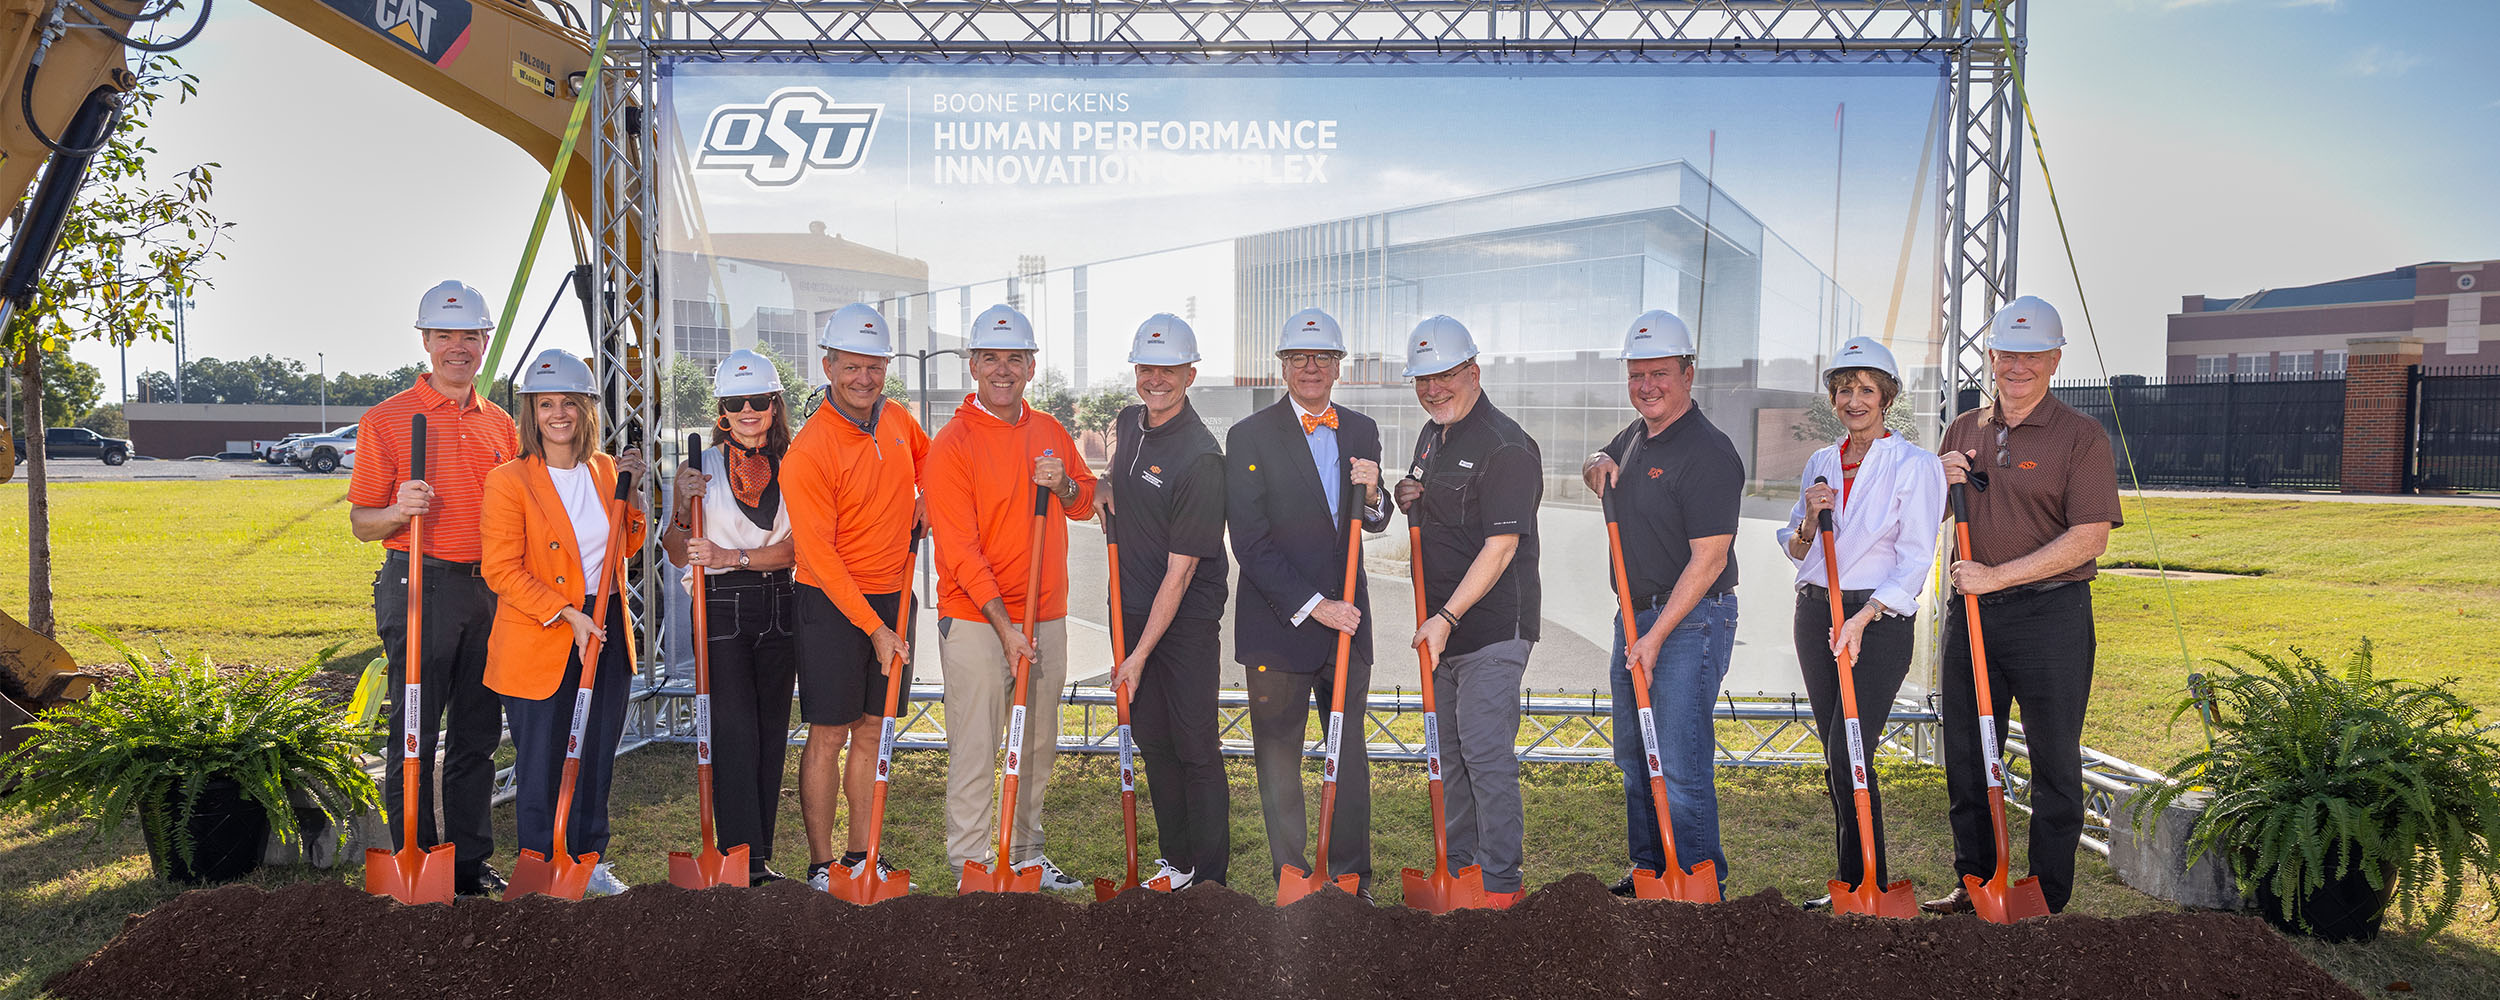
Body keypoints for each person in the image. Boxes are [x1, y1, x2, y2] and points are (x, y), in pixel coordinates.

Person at [1926, 296, 2120, 916]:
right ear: (1990, 356)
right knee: (1967, 750)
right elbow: (1930, 515)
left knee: (2053, 758)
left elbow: (2089, 538)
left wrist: (1996, 576)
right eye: (2007, 354)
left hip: (2049, 616)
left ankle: (2045, 896)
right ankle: (1976, 882)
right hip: (1972, 618)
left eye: (2032, 355)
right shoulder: (1964, 428)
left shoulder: (2081, 437)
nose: (2018, 367)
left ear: (2055, 360)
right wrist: (1938, 480)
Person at [345, 280, 521, 897]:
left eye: (469, 336)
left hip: (488, 589)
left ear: (484, 342)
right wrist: (399, 510)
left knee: (478, 733)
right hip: (421, 583)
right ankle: (415, 857)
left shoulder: (502, 425)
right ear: (425, 341)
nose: (457, 347)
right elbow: (361, 522)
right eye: (445, 335)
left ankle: (469, 864)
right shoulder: (387, 419)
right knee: (415, 728)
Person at [925, 303, 1097, 891]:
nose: (1004, 370)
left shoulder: (1050, 432)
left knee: (1038, 744)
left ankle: (1025, 855)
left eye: (1015, 359)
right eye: (991, 358)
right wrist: (1003, 627)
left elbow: (1084, 502)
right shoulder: (952, 444)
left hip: (1044, 614)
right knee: (976, 746)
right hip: (977, 618)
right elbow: (960, 550)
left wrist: (1064, 483)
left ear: (1031, 367)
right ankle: (970, 865)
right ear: (973, 365)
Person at [1774, 336, 1944, 908]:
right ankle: (1852, 882)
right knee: (1835, 752)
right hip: (1818, 611)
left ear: (1886, 397)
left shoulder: (1915, 465)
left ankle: (1871, 882)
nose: (1853, 400)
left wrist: (1865, 616)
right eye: (1844, 389)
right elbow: (1799, 546)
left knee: (1852, 747)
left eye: (1866, 390)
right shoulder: (1821, 462)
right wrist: (1808, 520)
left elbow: (1916, 557)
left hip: (1878, 617)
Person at [1226, 307, 1390, 900]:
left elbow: (1374, 519)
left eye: (1323, 357)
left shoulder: (1362, 429)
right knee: (1279, 761)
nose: (1311, 367)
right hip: (1281, 626)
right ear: (1283, 366)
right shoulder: (1249, 436)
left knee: (1349, 756)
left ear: (1339, 366)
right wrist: (1317, 605)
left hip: (1348, 625)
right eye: (1299, 357)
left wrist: (1375, 493)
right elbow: (1250, 541)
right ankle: (1292, 878)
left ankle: (1351, 879)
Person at [1580, 310, 1742, 899]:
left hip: (1690, 620)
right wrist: (1595, 463)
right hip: (1635, 614)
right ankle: (1651, 870)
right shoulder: (1635, 436)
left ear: (1688, 374)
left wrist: (1654, 636)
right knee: (1634, 753)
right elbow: (1599, 461)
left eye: (1660, 373)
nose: (1647, 385)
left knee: (1676, 757)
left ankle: (1696, 883)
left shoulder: (1708, 451)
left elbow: (1710, 559)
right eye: (1636, 374)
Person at [479, 349, 649, 897]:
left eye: (569, 403)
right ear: (531, 412)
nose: (558, 414)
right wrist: (566, 613)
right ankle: (540, 863)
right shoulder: (509, 481)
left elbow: (626, 546)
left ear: (586, 409)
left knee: (596, 754)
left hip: (605, 628)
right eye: (546, 403)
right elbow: (500, 569)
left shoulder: (604, 470)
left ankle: (587, 858)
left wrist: (633, 493)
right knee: (543, 759)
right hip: (544, 631)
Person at [1389, 314, 1541, 908]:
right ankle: (1459, 874)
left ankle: (1499, 886)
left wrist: (1446, 618)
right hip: (1443, 631)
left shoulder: (1507, 447)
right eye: (1422, 379)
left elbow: (1500, 547)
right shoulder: (1433, 437)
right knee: (1448, 756)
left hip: (1490, 630)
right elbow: (1442, 508)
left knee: (1483, 753)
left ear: (1473, 371)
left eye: (1445, 375)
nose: (1433, 389)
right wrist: (1411, 495)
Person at [780, 304, 932, 893]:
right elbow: (818, 556)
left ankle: (863, 854)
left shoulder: (896, 417)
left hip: (894, 595)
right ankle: (823, 865)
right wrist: (874, 628)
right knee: (829, 733)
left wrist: (926, 494)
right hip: (832, 604)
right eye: (851, 366)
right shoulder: (808, 451)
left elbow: (930, 460)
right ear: (828, 366)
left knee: (873, 730)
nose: (864, 378)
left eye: (874, 366)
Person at [1098, 313, 1231, 888]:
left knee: (1194, 745)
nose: (1156, 380)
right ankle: (1177, 861)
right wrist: (1104, 483)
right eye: (1146, 368)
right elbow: (1119, 474)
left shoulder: (1201, 458)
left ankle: (1211, 881)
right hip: (1132, 610)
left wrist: (1139, 654)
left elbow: (1180, 576)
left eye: (1168, 370)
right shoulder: (1129, 423)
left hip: (1183, 623)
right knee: (1152, 741)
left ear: (1190, 375)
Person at [662, 348, 799, 885]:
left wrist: (730, 555)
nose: (748, 411)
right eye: (736, 401)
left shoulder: (796, 464)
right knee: (734, 733)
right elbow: (677, 552)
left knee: (771, 734)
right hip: (719, 608)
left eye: (758, 400)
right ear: (721, 408)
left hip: (781, 603)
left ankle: (759, 860)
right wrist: (681, 505)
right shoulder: (699, 467)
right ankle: (739, 860)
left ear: (774, 404)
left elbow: (798, 549)